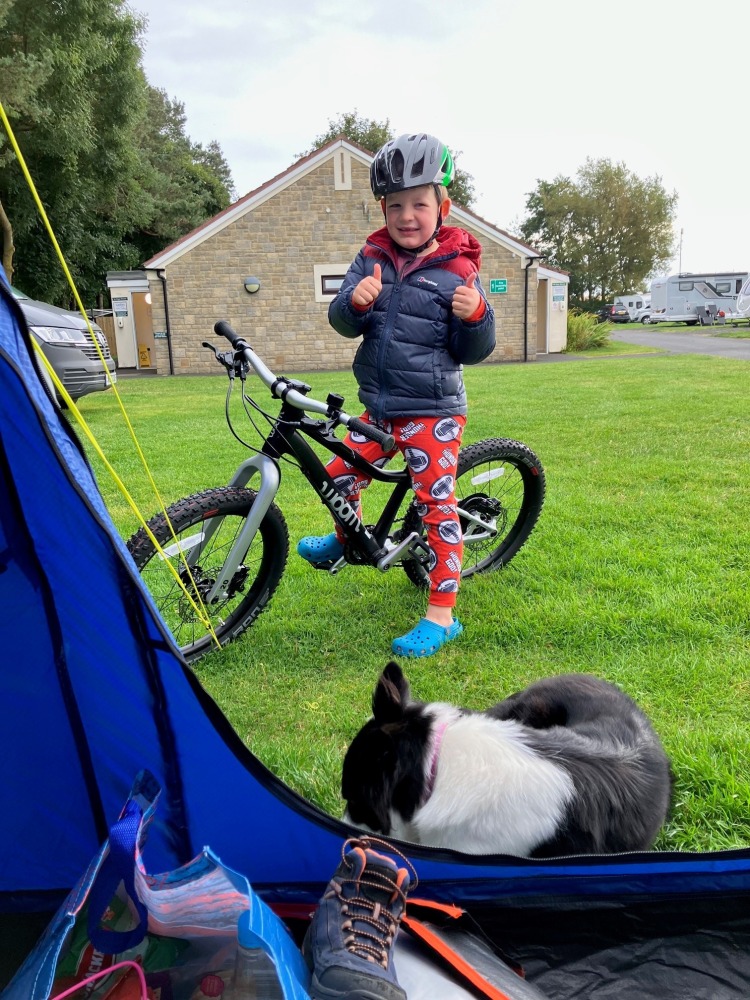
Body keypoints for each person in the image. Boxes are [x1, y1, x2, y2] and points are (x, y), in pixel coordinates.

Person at [298, 132, 496, 657]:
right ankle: (345, 541)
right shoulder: (372, 257)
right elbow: (342, 319)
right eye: (396, 205)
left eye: (419, 204)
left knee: (436, 506)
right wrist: (353, 304)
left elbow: (473, 349)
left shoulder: (458, 269)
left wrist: (475, 316)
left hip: (432, 411)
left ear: (442, 207)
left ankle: (442, 615)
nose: (407, 216)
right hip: (380, 405)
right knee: (340, 472)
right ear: (383, 208)